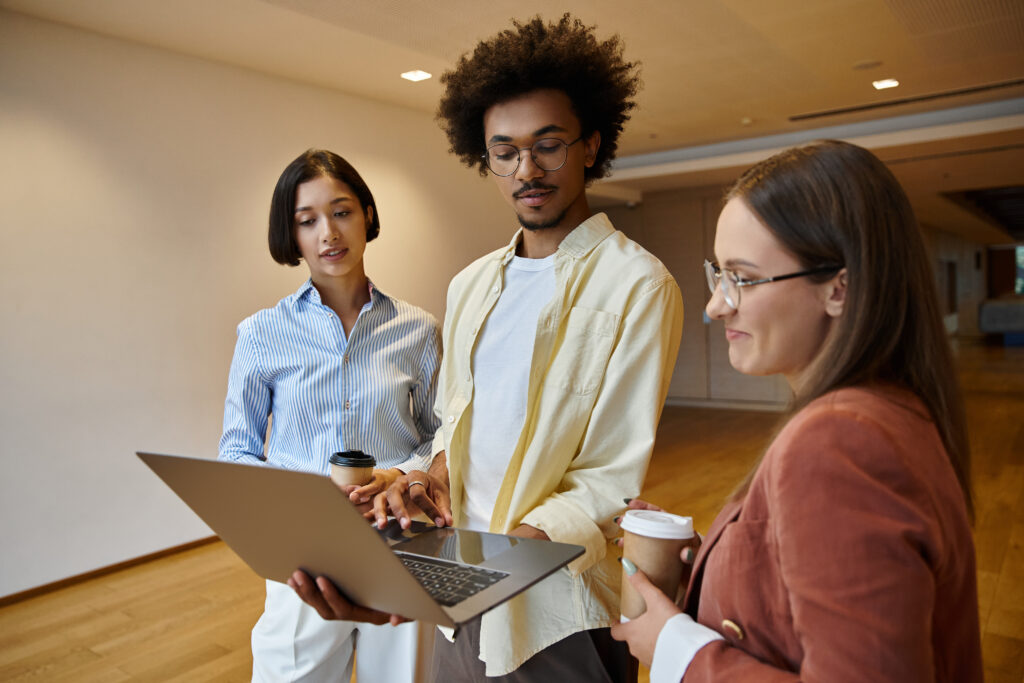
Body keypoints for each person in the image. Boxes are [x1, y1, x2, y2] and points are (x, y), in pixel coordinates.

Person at [295, 13, 684, 682]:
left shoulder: (639, 284)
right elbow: (459, 431)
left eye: (548, 145)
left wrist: (483, 569)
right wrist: (419, 482)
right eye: (503, 150)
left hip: (560, 610)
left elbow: (607, 482)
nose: (524, 168)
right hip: (461, 595)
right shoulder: (472, 284)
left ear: (591, 144)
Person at [610, 140, 983, 682]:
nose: (716, 304)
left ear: (839, 288)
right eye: (720, 274)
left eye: (745, 277)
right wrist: (717, 560)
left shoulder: (839, 441)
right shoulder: (890, 408)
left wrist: (677, 649)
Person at [219, 149, 440, 682]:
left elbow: (441, 435)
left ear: (366, 214)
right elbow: (237, 451)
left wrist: (404, 475)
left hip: (403, 538)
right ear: (290, 235)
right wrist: (297, 499)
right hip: (303, 549)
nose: (328, 233)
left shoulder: (420, 329)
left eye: (341, 212)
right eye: (307, 220)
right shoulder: (260, 333)